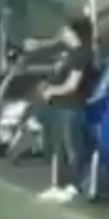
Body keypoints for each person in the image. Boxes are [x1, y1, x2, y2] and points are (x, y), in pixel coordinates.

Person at [36, 17, 97, 203]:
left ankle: (75, 186)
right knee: (59, 150)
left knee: (74, 149)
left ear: (76, 33)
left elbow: (73, 85)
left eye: (67, 31)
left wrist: (52, 91)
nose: (64, 35)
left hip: (72, 107)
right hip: (60, 107)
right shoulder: (70, 54)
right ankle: (58, 185)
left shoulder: (83, 54)